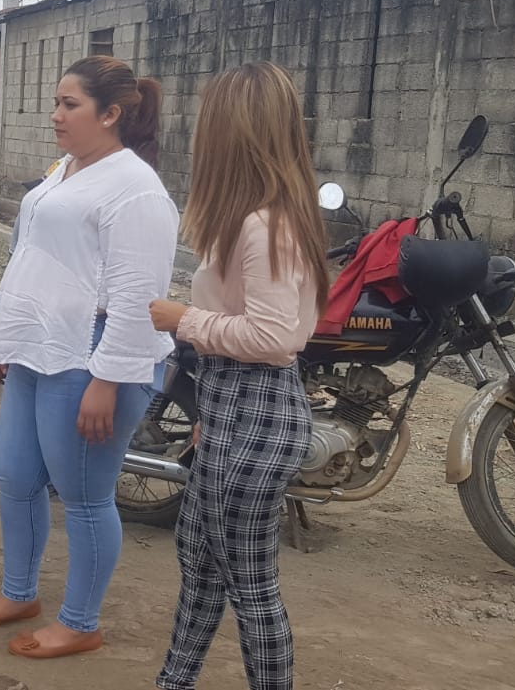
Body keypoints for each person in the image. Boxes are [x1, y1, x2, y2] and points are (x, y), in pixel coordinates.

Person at [0, 56, 178, 659]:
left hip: (91, 353)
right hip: (39, 345)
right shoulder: (64, 170)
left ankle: (81, 621)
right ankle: (19, 592)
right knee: (15, 474)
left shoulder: (135, 188)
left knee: (84, 495)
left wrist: (108, 379)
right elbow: (29, 259)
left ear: (110, 114)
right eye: (57, 102)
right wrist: (2, 339)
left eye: (70, 104)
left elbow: (138, 295)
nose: (56, 115)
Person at [148, 62, 329, 690]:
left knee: (250, 585)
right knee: (199, 560)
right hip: (235, 410)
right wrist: (210, 417)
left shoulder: (265, 224)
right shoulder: (263, 218)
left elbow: (273, 338)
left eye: (211, 122)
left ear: (234, 133)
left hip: (257, 412)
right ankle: (174, 681)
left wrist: (184, 319)